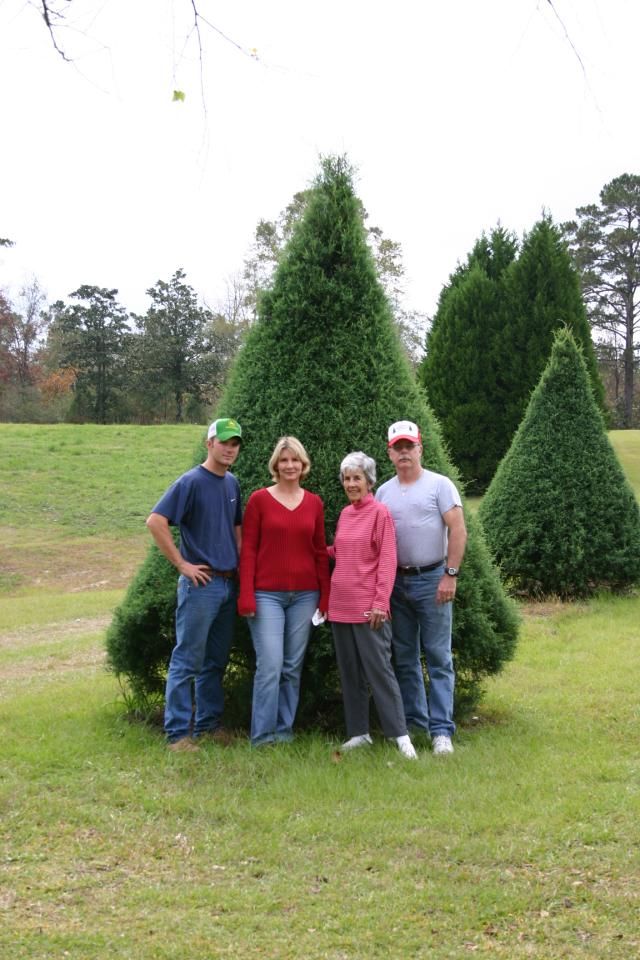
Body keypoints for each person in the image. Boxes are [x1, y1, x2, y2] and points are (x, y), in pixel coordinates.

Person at [146, 417, 243, 753]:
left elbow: (235, 528)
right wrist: (182, 564)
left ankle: (208, 726)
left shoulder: (232, 483)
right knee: (188, 659)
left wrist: (241, 563)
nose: (230, 448)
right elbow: (156, 521)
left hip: (228, 585)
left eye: (235, 443)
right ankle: (177, 735)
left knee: (215, 661)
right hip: (201, 587)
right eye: (224, 442)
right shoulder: (190, 482)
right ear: (209, 443)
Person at [376, 420, 467, 755]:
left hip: (433, 580)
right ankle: (417, 724)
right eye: (397, 448)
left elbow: (458, 530)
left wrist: (450, 574)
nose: (404, 453)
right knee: (405, 658)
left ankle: (442, 731)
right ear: (389, 453)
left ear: (420, 448)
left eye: (409, 446)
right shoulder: (383, 492)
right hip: (397, 583)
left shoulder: (440, 485)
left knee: (439, 657)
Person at [238, 437, 330, 747]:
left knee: (292, 667)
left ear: (304, 465)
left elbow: (320, 552)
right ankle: (262, 737)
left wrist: (325, 597)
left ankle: (284, 731)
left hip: (305, 596)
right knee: (271, 665)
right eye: (284, 460)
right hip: (266, 596)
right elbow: (248, 550)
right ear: (275, 465)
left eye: (295, 460)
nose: (289, 465)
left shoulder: (314, 503)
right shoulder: (259, 500)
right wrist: (246, 595)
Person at [328, 452, 417, 759]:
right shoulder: (344, 514)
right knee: (349, 672)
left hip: (369, 608)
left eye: (357, 478)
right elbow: (339, 552)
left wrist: (381, 602)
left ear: (369, 482)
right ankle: (359, 733)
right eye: (347, 478)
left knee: (380, 671)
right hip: (339, 605)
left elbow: (387, 560)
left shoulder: (380, 513)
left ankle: (400, 736)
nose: (351, 484)